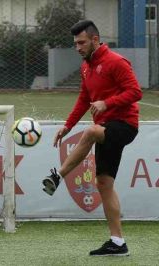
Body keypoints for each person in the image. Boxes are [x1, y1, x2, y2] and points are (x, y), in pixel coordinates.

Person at [42, 20, 142, 256]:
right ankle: (118, 243)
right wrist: (67, 126)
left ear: (95, 40)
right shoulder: (86, 67)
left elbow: (135, 91)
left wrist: (107, 103)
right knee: (103, 184)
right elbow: (83, 100)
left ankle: (57, 177)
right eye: (75, 43)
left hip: (125, 125)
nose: (77, 47)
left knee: (91, 131)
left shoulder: (116, 62)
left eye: (81, 42)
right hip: (106, 127)